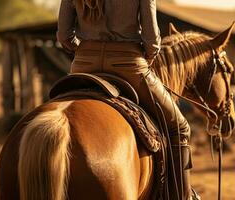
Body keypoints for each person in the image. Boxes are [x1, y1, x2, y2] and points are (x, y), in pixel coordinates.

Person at [57, 0, 199, 199]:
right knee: (180, 127)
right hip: (128, 64)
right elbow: (152, 40)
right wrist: (146, 58)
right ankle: (181, 196)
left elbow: (64, 35)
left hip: (83, 63)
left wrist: (84, 49)